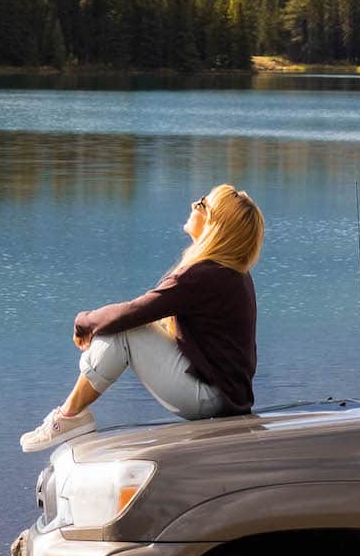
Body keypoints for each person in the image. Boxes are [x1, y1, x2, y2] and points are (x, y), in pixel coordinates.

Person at [20, 183, 264, 452]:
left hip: (212, 400)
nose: (193, 204)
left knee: (126, 330)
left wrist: (84, 321)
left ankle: (69, 417)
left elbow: (134, 312)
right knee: (131, 326)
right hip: (228, 397)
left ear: (213, 224)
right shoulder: (232, 273)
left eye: (202, 204)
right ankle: (71, 416)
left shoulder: (205, 276)